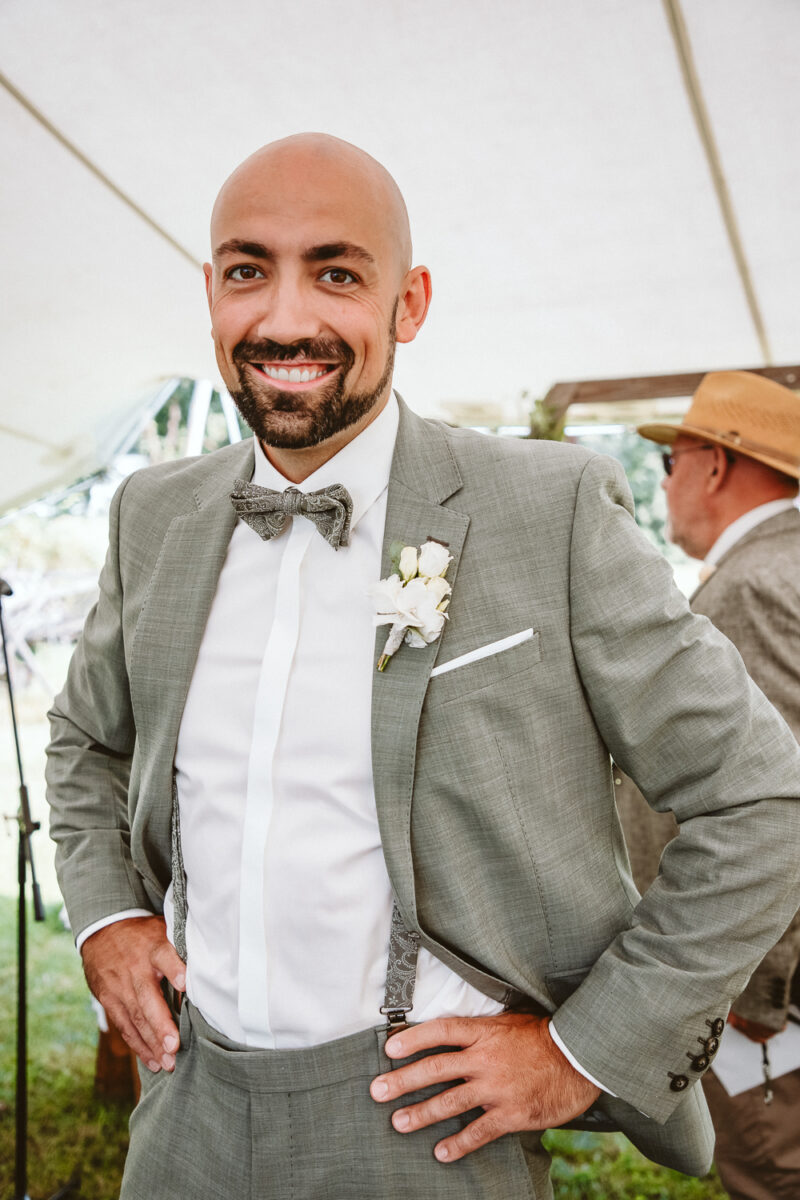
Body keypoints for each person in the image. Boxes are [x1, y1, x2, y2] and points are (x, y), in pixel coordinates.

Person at [45, 136, 800, 1200]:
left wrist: (582, 1051)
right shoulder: (151, 514)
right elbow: (85, 739)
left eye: (336, 273)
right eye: (249, 270)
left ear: (410, 303)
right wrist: (106, 915)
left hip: (424, 1125)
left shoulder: (549, 510)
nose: (285, 319)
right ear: (211, 290)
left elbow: (761, 799)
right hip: (185, 1111)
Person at [616, 370, 800, 1200]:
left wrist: (753, 991)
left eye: (671, 462)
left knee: (772, 1172)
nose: (666, 485)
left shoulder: (752, 586)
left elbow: (779, 801)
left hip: (768, 998)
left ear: (716, 464)